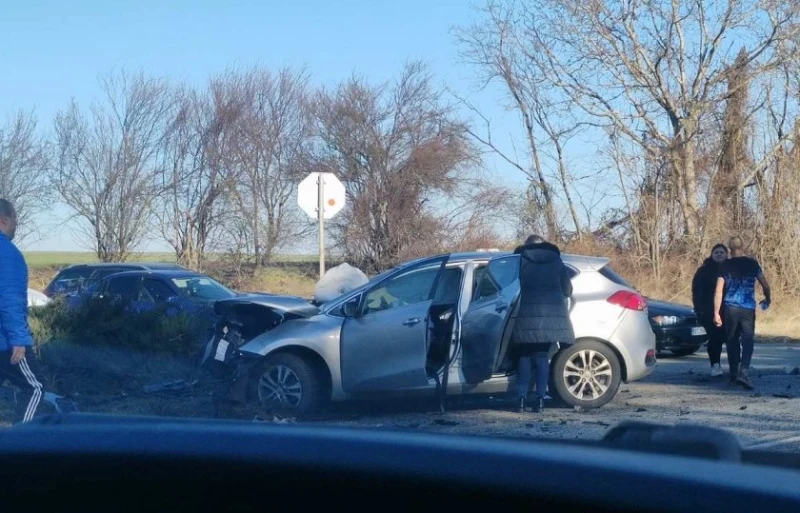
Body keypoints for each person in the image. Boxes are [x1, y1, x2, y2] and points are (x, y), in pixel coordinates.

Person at [511, 234, 575, 413]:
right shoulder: (556, 261)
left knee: (524, 356)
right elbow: (568, 290)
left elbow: (510, 287)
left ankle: (521, 400)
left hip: (526, 314)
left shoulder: (520, 261)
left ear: (527, 246)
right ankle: (540, 401)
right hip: (551, 317)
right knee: (541, 357)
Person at [0, 198, 43, 423]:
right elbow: (8, 298)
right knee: (35, 389)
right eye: (15, 218)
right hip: (6, 342)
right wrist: (19, 339)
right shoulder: (7, 254)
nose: (16, 224)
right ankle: (22, 443)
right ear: (5, 219)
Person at [713, 236, 771, 390]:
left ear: (729, 249)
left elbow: (719, 290)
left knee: (732, 340)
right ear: (742, 247)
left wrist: (716, 313)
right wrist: (768, 298)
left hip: (730, 308)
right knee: (748, 340)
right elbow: (765, 284)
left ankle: (733, 375)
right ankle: (744, 372)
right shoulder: (752, 264)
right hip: (748, 308)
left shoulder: (725, 265)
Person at [691, 244, 729, 377]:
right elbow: (697, 291)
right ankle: (715, 365)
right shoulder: (704, 270)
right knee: (715, 339)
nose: (719, 254)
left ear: (726, 254)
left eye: (722, 252)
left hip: (729, 310)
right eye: (716, 252)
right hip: (708, 311)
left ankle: (735, 366)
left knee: (731, 338)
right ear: (712, 255)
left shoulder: (731, 269)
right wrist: (699, 309)